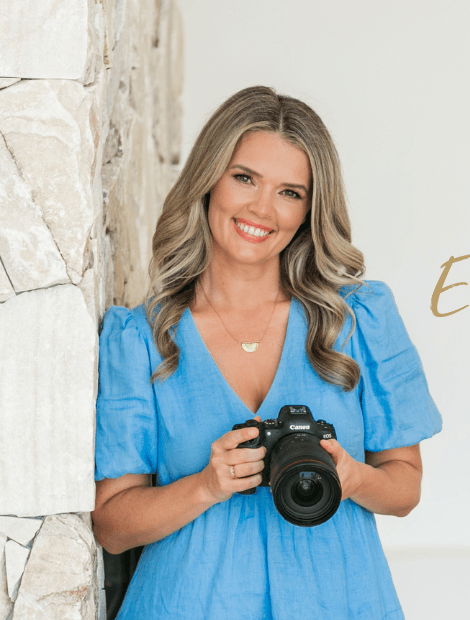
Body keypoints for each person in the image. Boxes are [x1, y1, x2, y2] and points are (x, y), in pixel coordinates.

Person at [91, 85, 442, 619]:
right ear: (209, 180)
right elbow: (113, 527)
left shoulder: (360, 321)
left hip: (339, 602)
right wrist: (206, 486)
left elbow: (405, 487)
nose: (262, 208)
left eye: (290, 192)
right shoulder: (141, 338)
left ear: (308, 210)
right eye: (244, 178)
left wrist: (351, 477)